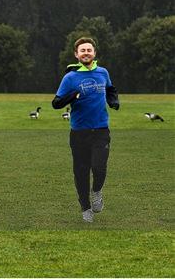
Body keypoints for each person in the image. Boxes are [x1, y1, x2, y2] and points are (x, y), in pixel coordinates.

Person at [52, 37, 119, 223]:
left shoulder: (103, 72)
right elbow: (56, 103)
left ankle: (96, 191)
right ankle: (85, 207)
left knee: (99, 167)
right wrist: (73, 95)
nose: (86, 53)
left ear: (94, 53)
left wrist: (113, 101)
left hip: (101, 130)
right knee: (81, 172)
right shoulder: (70, 77)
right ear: (76, 54)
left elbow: (111, 89)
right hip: (79, 132)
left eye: (89, 50)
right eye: (82, 50)